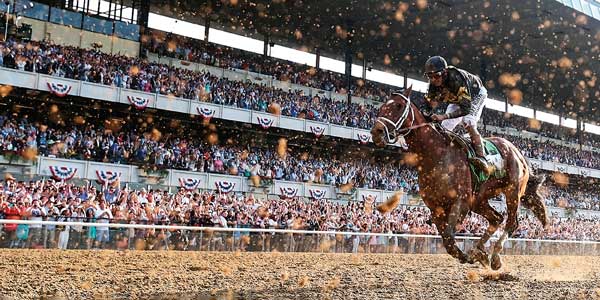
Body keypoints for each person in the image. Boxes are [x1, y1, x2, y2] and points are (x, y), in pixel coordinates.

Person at [423, 56, 493, 175]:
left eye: (436, 76)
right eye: (430, 76)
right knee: (444, 128)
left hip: (476, 94)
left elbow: (465, 109)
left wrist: (443, 116)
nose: (434, 79)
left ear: (444, 73)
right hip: (457, 98)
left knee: (468, 121)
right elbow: (427, 107)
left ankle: (481, 158)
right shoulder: (433, 85)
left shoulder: (456, 79)